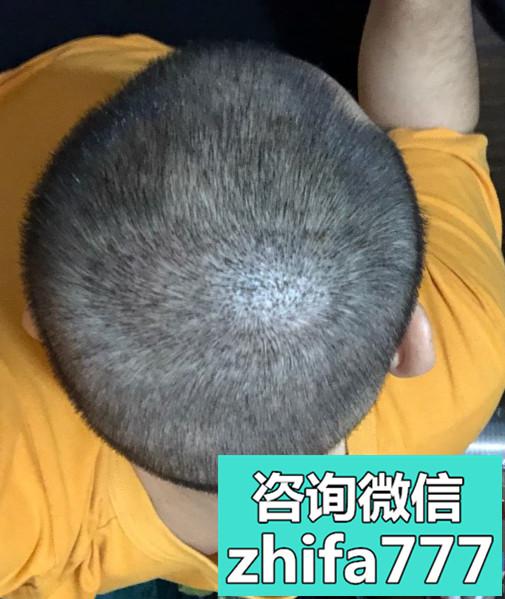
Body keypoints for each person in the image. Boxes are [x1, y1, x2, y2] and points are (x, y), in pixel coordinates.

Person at [1, 1, 504, 598]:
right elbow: (432, 133)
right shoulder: (462, 363)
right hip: (317, 514)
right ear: (411, 343)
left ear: (41, 324)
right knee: (448, 536)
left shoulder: (16, 479)